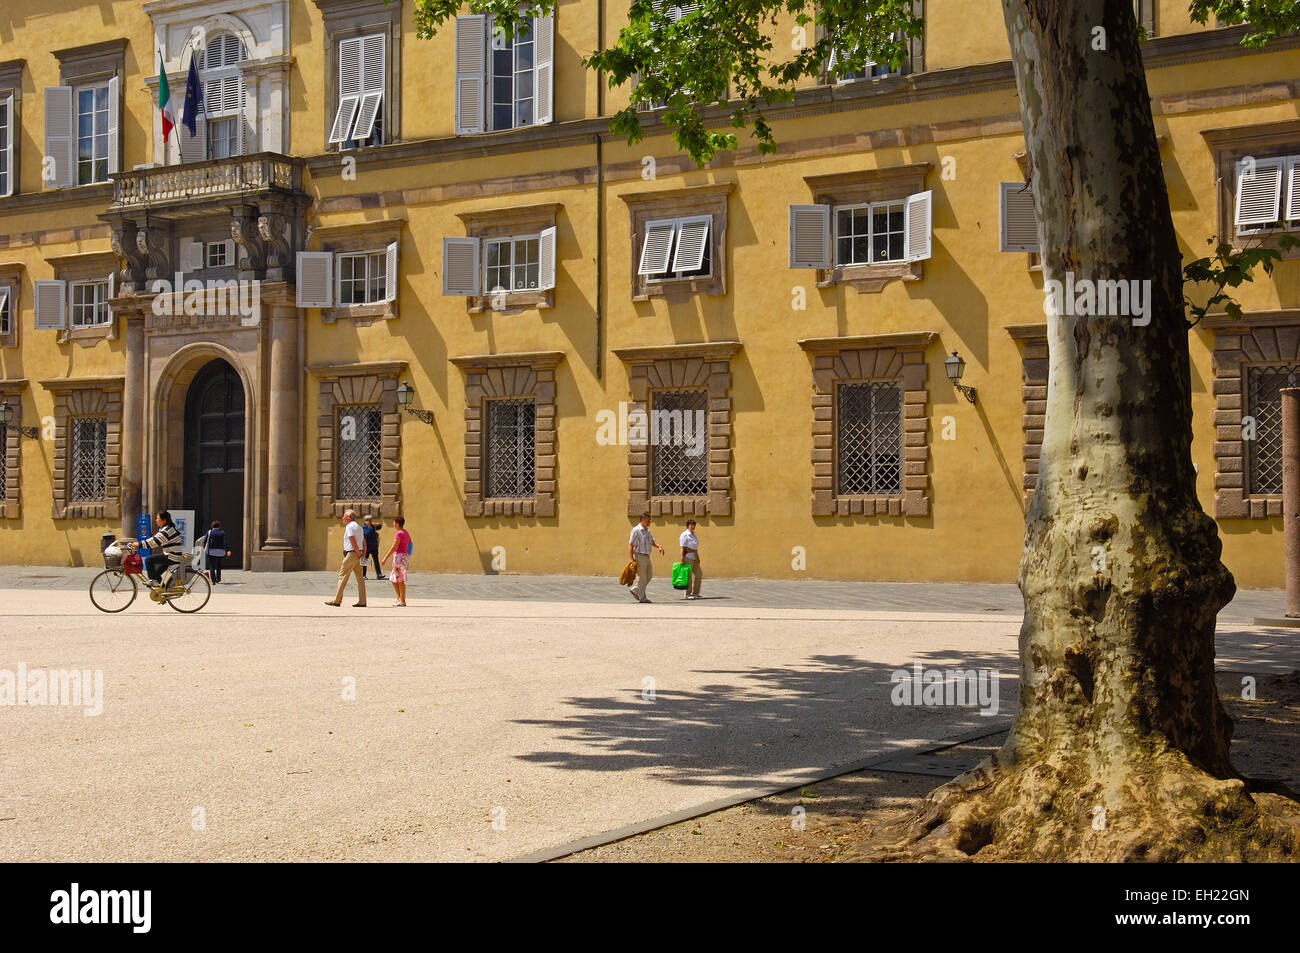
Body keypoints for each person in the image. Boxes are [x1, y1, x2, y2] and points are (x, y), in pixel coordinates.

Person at [326, 510, 367, 608]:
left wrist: (356, 552)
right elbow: (364, 542)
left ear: (348, 518)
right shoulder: (359, 527)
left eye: (344, 516)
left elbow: (352, 539)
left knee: (342, 576)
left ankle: (337, 600)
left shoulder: (349, 526)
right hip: (359, 553)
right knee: (360, 578)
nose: (342, 518)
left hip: (352, 554)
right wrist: (363, 554)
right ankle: (362, 601)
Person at [133, 511, 183, 585]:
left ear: (164, 520)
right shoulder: (165, 528)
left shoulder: (166, 530)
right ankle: (162, 591)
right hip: (171, 556)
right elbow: (154, 539)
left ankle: (152, 581)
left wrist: (139, 544)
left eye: (157, 518)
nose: (156, 520)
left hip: (172, 557)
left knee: (148, 559)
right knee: (155, 573)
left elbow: (154, 542)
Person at [627, 512, 664, 604]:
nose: (649, 522)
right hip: (639, 556)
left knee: (649, 576)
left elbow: (652, 541)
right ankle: (642, 598)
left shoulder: (648, 530)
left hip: (647, 556)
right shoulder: (636, 530)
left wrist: (658, 546)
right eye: (647, 521)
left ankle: (635, 590)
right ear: (642, 520)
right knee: (643, 578)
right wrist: (631, 558)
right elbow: (631, 544)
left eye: (649, 521)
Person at [381, 516, 411, 607]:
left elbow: (394, 547)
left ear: (397, 523)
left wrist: (385, 558)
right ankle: (399, 598)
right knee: (394, 579)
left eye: (394, 522)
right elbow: (410, 542)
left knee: (400, 580)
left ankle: (402, 600)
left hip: (399, 557)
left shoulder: (399, 534)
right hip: (404, 556)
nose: (393, 524)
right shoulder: (405, 532)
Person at [679, 518, 702, 600]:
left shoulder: (694, 535)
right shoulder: (685, 534)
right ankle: (687, 594)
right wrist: (682, 558)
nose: (692, 526)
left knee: (699, 574)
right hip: (687, 557)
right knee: (688, 576)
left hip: (694, 556)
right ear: (688, 526)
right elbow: (682, 547)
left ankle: (695, 592)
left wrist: (698, 557)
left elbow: (695, 548)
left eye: (694, 525)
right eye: (691, 525)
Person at [361, 516, 385, 580]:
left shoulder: (372, 526)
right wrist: (370, 526)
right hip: (366, 547)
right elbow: (367, 534)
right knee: (365, 560)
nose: (370, 521)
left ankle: (379, 574)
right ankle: (363, 575)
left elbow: (380, 526)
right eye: (369, 520)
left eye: (371, 520)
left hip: (374, 546)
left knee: (376, 560)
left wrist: (375, 524)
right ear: (365, 521)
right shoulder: (363, 527)